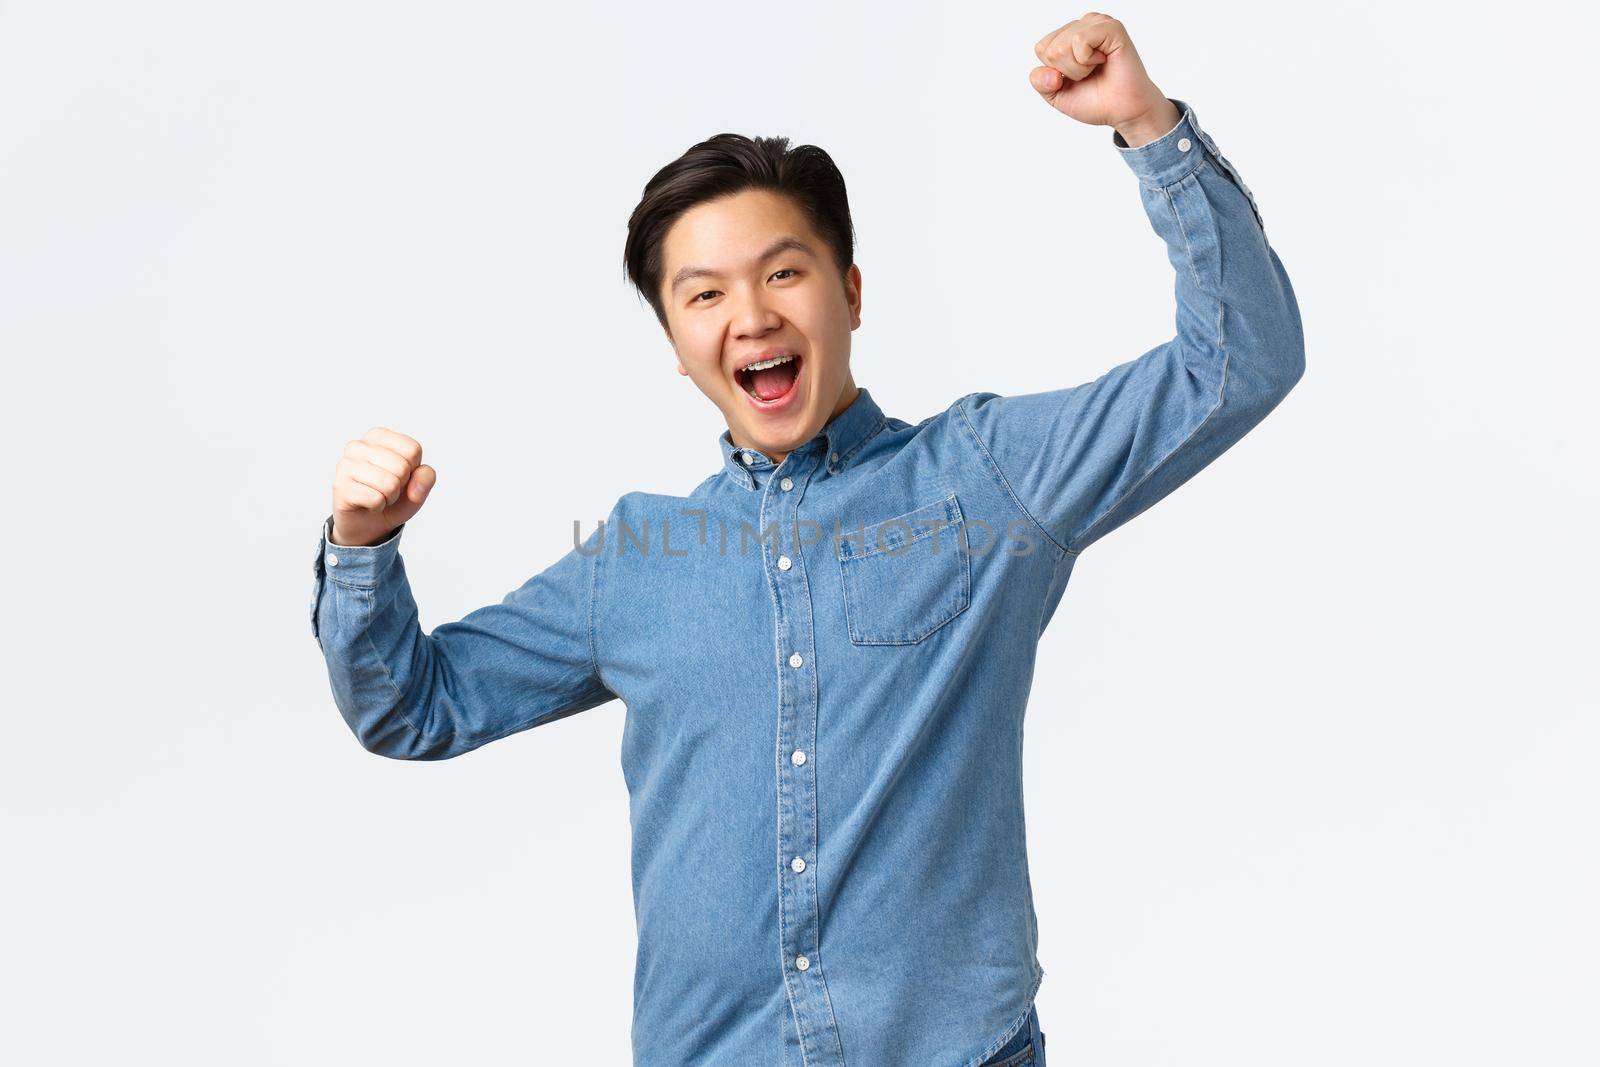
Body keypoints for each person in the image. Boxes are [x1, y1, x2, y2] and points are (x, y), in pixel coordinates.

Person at [308, 12, 1303, 1066]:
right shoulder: (635, 559)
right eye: (703, 294)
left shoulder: (989, 479)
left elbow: (1236, 366)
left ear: (851, 293)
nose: (750, 315)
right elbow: (413, 707)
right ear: (676, 343)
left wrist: (1147, 128)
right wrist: (363, 548)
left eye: (783, 273)